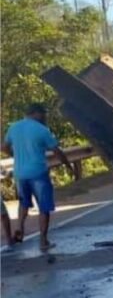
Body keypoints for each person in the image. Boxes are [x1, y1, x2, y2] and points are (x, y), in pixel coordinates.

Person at [2, 103, 73, 251]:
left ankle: (20, 227)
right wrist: (67, 165)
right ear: (36, 113)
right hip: (38, 173)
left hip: (20, 174)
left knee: (23, 203)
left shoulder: (14, 127)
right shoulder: (42, 130)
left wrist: (14, 155)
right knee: (44, 207)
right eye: (43, 114)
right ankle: (43, 241)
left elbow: (3, 147)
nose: (45, 117)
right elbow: (56, 150)